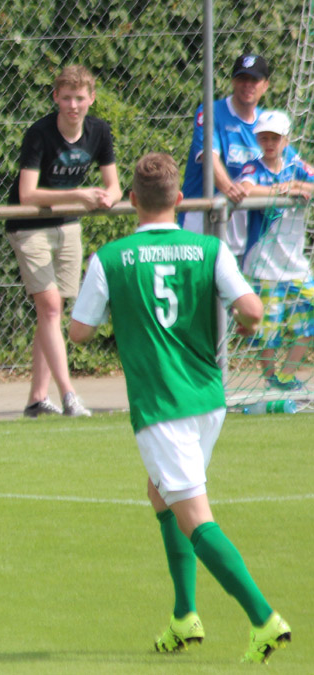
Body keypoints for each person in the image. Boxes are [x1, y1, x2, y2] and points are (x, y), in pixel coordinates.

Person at [69, 152, 291, 664]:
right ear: (179, 200)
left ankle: (263, 619)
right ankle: (184, 615)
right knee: (160, 494)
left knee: (195, 516)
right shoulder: (209, 249)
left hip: (161, 405)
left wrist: (112, 313)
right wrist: (245, 326)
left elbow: (79, 332)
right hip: (208, 399)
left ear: (132, 202)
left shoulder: (112, 257)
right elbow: (252, 310)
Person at [6, 65, 120, 418]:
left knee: (51, 313)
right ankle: (69, 395)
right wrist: (78, 195)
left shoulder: (99, 131)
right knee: (52, 308)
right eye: (66, 97)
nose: (73, 105)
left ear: (91, 99)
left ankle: (37, 398)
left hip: (69, 226)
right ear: (55, 98)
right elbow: (27, 194)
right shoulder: (39, 133)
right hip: (29, 226)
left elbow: (113, 183)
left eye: (80, 98)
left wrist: (108, 198)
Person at [234, 110, 314, 391]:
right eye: (264, 138)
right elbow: (244, 189)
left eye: (275, 138)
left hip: (296, 265)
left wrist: (295, 186)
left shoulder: (296, 166)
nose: (269, 143)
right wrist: (279, 193)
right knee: (269, 329)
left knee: (309, 318)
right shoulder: (253, 168)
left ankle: (288, 375)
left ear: (285, 140)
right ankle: (271, 380)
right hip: (264, 265)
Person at [180, 53, 271, 261]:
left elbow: (285, 165)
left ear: (265, 85)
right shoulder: (211, 112)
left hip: (241, 233)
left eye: (254, 80)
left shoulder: (267, 124)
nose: (247, 85)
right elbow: (208, 158)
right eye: (242, 78)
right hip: (201, 222)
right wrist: (230, 189)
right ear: (233, 81)